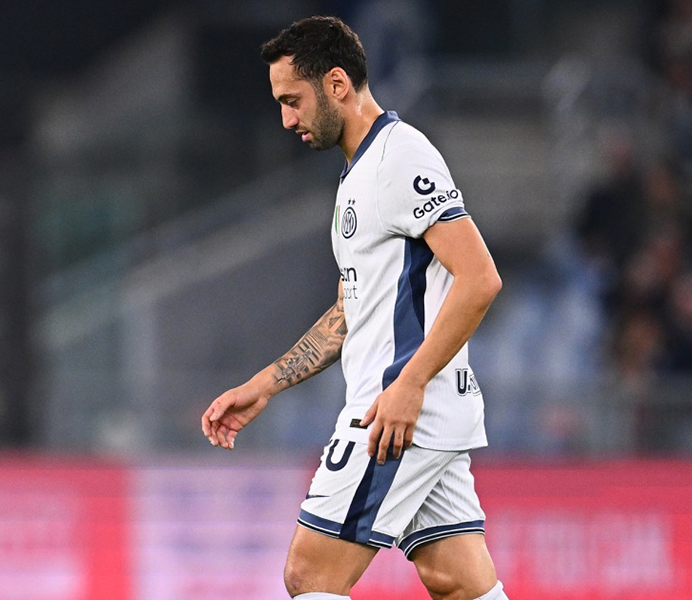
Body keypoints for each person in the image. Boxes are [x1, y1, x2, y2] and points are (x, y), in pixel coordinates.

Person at [202, 16, 506, 600]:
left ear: (336, 84)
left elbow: (479, 278)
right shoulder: (358, 174)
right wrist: (264, 385)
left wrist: (409, 385)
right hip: (418, 409)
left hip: (396, 414)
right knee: (456, 582)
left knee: (310, 574)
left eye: (292, 100)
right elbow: (351, 311)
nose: (286, 119)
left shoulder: (399, 157)